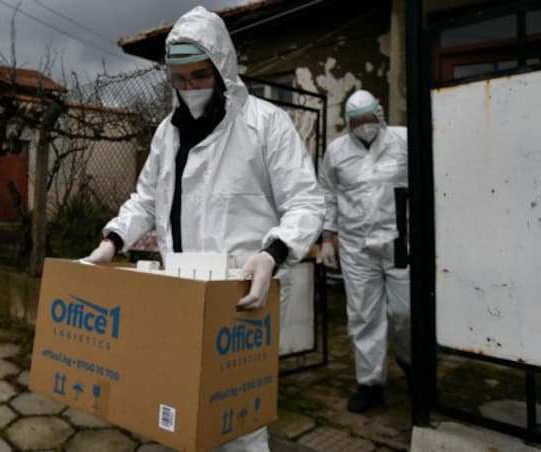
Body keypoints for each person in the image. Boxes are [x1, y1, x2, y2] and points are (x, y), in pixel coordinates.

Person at [83, 6, 324, 451]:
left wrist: (273, 253)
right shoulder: (166, 133)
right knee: (184, 404)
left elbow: (306, 203)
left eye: (200, 76)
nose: (190, 88)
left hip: (243, 289)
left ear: (222, 68)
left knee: (239, 416)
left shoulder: (265, 124)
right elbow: (146, 198)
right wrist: (112, 240)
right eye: (180, 79)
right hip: (181, 289)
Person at [318, 89, 410, 413]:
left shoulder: (403, 141)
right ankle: (370, 384)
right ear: (348, 122)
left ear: (380, 116)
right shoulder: (337, 151)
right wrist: (328, 239)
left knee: (405, 313)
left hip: (401, 242)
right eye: (357, 121)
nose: (364, 125)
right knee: (363, 316)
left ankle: (410, 362)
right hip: (357, 248)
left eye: (369, 119)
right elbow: (328, 195)